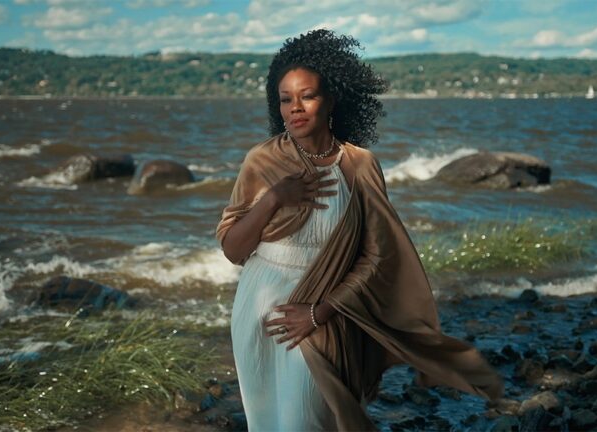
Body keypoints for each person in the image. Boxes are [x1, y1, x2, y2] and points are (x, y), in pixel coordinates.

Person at [216, 29, 503, 431]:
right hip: (260, 305)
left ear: (331, 99)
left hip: (324, 310)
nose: (295, 108)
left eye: (308, 96)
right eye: (285, 99)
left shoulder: (360, 164)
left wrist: (319, 313)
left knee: (306, 422)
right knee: (267, 423)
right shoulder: (261, 161)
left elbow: (377, 256)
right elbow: (232, 248)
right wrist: (273, 199)